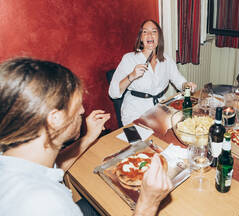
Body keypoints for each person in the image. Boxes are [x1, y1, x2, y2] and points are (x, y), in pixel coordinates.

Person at [0, 58, 171, 216]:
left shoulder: (16, 156)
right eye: (77, 105)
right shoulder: (46, 204)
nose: (82, 111)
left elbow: (52, 168)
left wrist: (88, 137)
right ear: (55, 119)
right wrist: (148, 204)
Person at [109, 19, 196, 125]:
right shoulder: (129, 59)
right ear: (141, 38)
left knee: (183, 126)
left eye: (154, 32)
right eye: (145, 32)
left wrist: (186, 85)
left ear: (159, 37)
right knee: (145, 141)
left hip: (160, 109)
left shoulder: (166, 59)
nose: (150, 35)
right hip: (135, 113)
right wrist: (131, 76)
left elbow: (179, 81)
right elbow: (113, 93)